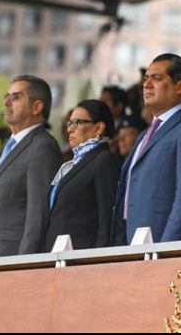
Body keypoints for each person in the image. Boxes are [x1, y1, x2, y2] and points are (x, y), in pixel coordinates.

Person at [111, 54, 181, 245]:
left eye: (157, 78)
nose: (147, 84)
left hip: (158, 242)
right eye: (146, 79)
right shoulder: (145, 134)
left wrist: (166, 247)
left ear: (180, 87)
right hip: (128, 241)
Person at [0, 75, 62, 255]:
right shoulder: (7, 147)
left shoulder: (42, 146)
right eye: (7, 97)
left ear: (37, 107)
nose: (7, 103)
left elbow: (38, 215)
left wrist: (24, 265)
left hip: (12, 258)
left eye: (16, 97)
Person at [44, 100, 120, 252]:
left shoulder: (103, 160)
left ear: (98, 127)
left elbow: (107, 219)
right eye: (69, 123)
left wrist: (99, 260)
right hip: (57, 257)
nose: (70, 130)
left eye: (77, 122)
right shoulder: (72, 164)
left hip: (81, 259)